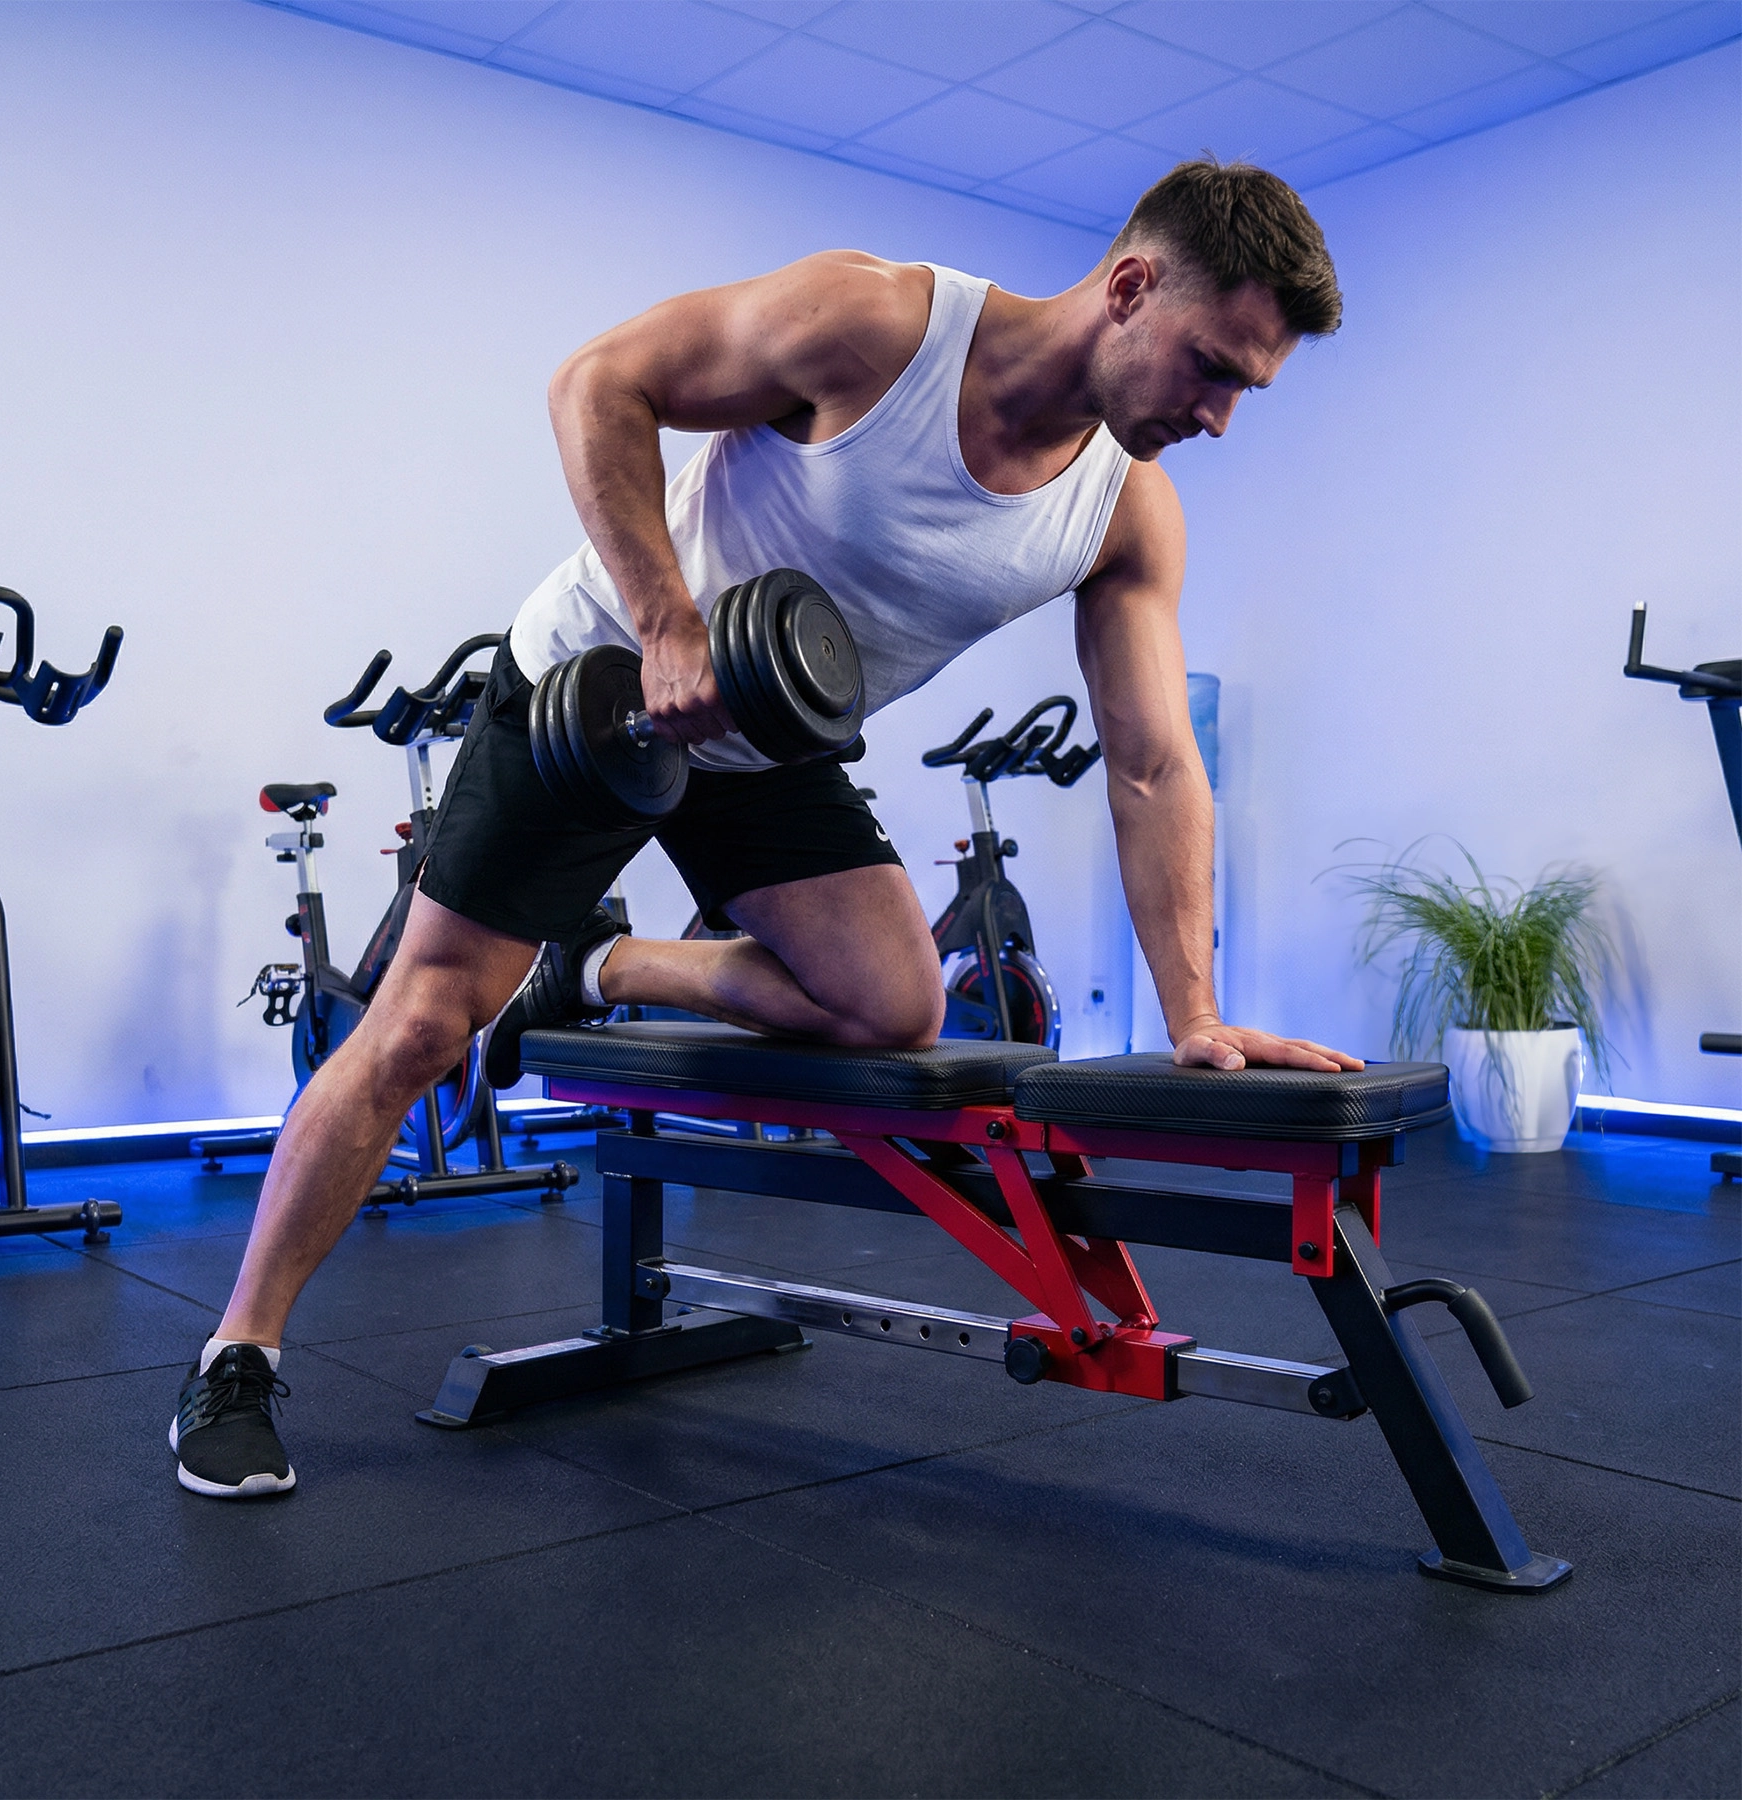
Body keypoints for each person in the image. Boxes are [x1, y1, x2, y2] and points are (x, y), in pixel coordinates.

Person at [170, 158, 1365, 1499]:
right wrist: (668, 622)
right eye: (1212, 368)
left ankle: (601, 963)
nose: (1218, 416)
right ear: (1132, 287)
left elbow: (1150, 764)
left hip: (770, 743)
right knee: (423, 1023)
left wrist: (1196, 1014)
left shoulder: (1124, 511)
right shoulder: (879, 326)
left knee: (893, 1005)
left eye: (1245, 391)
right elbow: (597, 382)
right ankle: (237, 1357)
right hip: (601, 684)